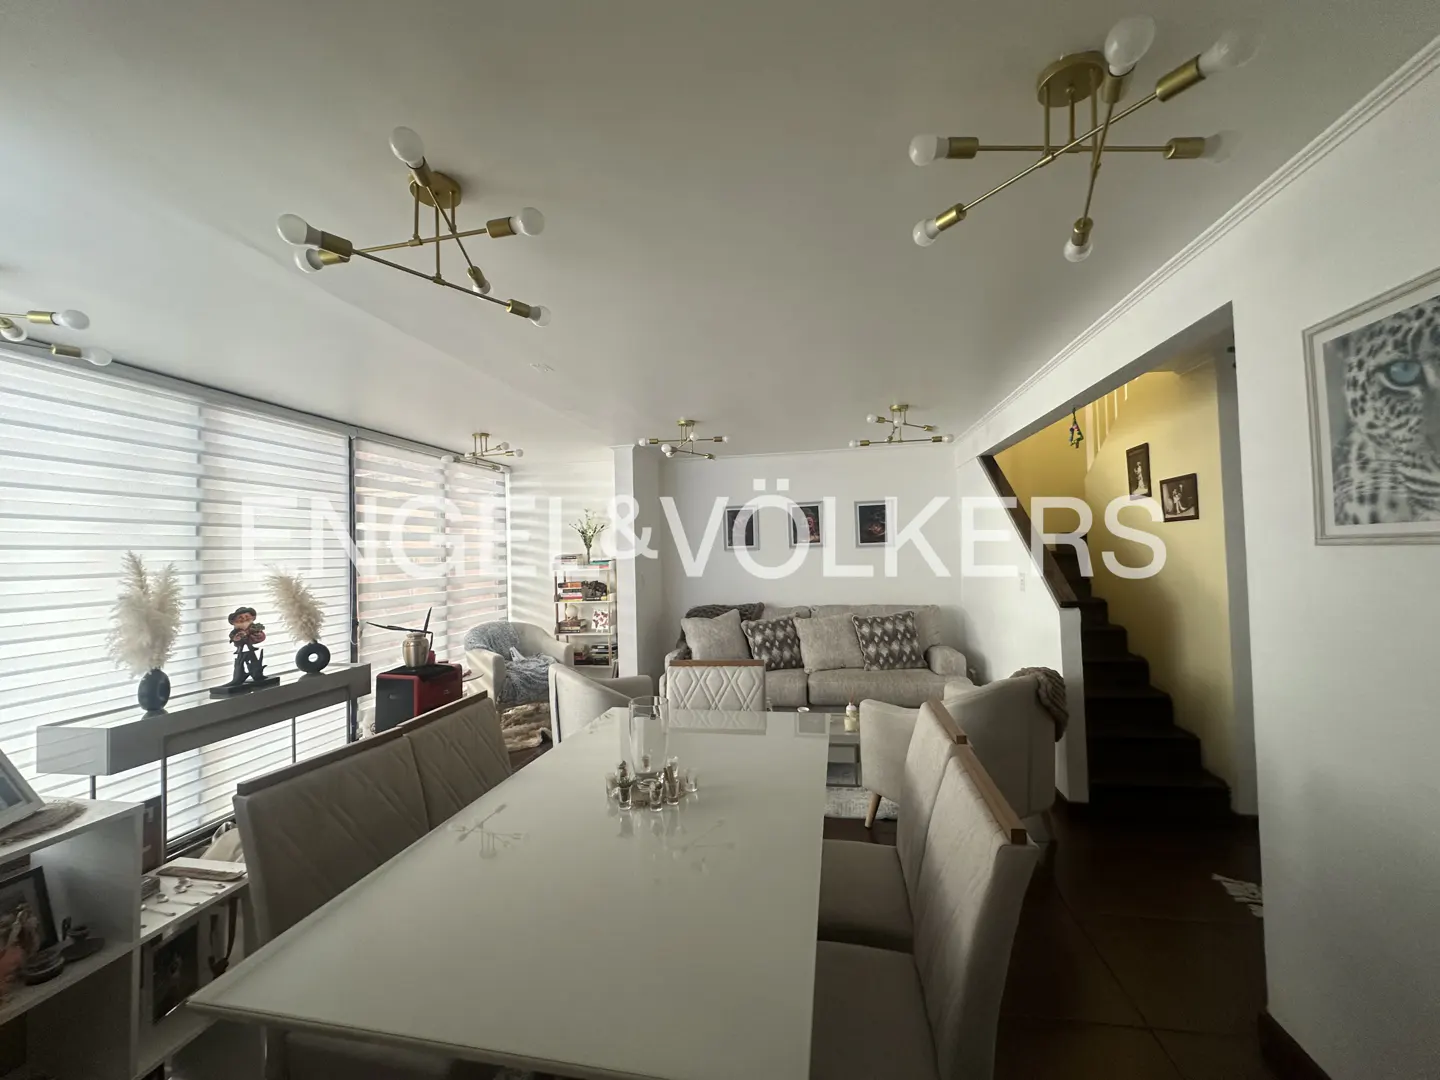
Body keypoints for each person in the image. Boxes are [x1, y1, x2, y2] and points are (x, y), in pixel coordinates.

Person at [226, 607, 268, 686]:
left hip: (250, 640)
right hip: (240, 642)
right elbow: (232, 635)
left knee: (250, 649)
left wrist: (256, 633)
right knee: (240, 648)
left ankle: (256, 672)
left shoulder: (253, 627)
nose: (244, 619)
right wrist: (235, 637)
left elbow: (260, 629)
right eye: (240, 618)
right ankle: (239, 650)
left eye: (246, 617)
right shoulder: (237, 630)